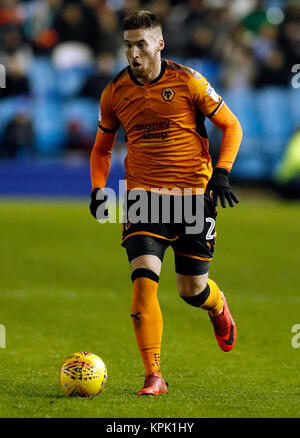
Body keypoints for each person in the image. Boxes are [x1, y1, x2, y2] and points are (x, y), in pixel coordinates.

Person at [89, 11, 243, 396]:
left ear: (160, 43)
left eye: (142, 43)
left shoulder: (188, 80)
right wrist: (97, 189)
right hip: (143, 197)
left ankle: (217, 306)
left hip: (193, 196)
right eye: (128, 45)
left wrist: (221, 172)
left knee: (192, 291)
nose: (134, 52)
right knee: (143, 283)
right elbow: (101, 149)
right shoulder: (114, 92)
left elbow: (232, 125)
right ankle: (153, 375)